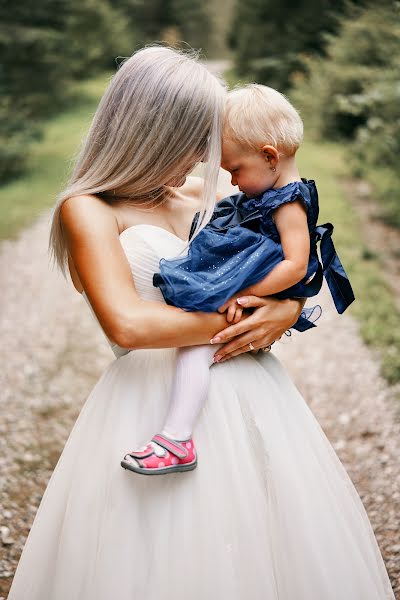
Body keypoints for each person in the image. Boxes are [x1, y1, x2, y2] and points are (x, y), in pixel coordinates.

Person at [7, 46, 395, 600]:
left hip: (250, 389)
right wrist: (247, 314)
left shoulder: (214, 195)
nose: (205, 159)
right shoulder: (89, 209)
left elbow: (295, 253)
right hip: (148, 396)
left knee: (265, 536)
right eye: (196, 141)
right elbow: (128, 325)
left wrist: (289, 308)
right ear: (153, 133)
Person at [121, 84, 355, 476]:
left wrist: (245, 293)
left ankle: (177, 437)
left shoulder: (289, 201)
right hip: (244, 273)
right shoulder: (269, 191)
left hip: (249, 281)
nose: (231, 181)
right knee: (195, 343)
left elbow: (297, 266)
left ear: (269, 156)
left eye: (235, 169)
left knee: (196, 348)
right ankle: (177, 435)